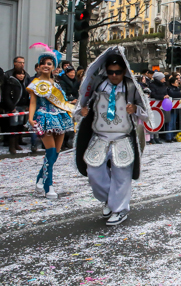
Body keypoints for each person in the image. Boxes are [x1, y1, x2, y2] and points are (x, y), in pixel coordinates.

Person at [74, 48, 151, 226]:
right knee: (93, 172)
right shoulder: (98, 84)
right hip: (100, 136)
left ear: (124, 71)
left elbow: (146, 113)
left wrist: (136, 109)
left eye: (117, 72)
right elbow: (82, 105)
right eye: (110, 72)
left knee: (121, 175)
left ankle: (120, 208)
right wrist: (83, 110)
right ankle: (110, 200)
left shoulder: (132, 86)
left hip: (123, 137)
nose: (114, 75)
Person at [27, 43, 74, 199]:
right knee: (50, 152)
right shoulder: (36, 84)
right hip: (44, 118)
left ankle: (40, 181)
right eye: (43, 63)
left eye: (49, 63)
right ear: (38, 67)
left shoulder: (57, 85)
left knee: (55, 154)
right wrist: (30, 118)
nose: (46, 66)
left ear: (54, 67)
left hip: (60, 118)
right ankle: (49, 186)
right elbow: (33, 102)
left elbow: (63, 101)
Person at [2, 68, 30, 154]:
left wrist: (28, 105)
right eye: (19, 74)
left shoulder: (25, 83)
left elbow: (28, 94)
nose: (21, 76)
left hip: (23, 107)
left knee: (20, 126)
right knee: (13, 127)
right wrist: (11, 107)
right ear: (15, 75)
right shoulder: (11, 82)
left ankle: (17, 143)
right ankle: (12, 146)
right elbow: (6, 96)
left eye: (23, 74)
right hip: (15, 107)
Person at [148, 72, 168, 144]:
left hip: (161, 105)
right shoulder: (152, 85)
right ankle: (152, 137)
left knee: (159, 121)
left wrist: (166, 95)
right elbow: (153, 94)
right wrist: (162, 97)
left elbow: (166, 91)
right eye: (163, 78)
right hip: (153, 106)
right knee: (153, 121)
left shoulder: (163, 85)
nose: (164, 80)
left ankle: (157, 137)